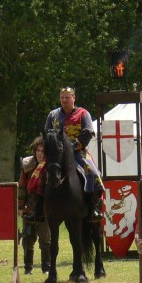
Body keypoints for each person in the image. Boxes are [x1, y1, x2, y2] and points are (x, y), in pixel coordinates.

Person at [45, 86, 104, 219]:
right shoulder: (53, 115)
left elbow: (87, 134)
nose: (64, 100)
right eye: (62, 98)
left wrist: (70, 148)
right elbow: (47, 134)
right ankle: (36, 207)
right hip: (56, 155)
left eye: (67, 97)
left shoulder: (83, 114)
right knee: (36, 173)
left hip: (78, 152)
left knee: (93, 173)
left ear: (73, 98)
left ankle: (93, 206)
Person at [18, 137, 51, 275]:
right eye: (37, 150)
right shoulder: (28, 165)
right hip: (30, 206)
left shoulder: (51, 166)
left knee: (45, 239)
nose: (40, 153)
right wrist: (21, 207)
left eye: (42, 151)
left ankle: (46, 268)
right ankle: (28, 268)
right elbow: (21, 187)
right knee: (28, 239)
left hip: (44, 208)